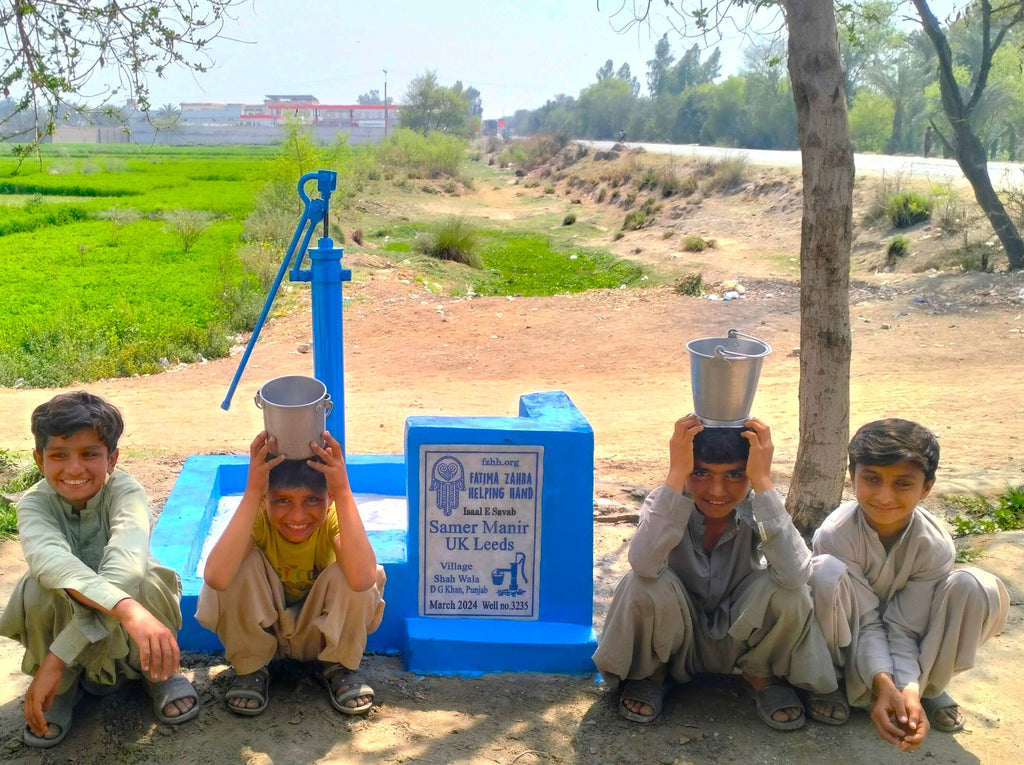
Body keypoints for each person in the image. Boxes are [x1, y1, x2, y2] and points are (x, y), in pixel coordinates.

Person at [593, 414, 839, 729]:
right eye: (701, 473)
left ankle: (760, 675)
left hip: (738, 636)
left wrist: (763, 481)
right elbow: (643, 563)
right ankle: (653, 673)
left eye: (736, 474)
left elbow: (795, 575)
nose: (718, 490)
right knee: (642, 583)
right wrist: (676, 474)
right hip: (679, 637)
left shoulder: (759, 507)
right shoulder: (665, 501)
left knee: (790, 592)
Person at [0, 392, 199, 748]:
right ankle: (62, 689)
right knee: (40, 586)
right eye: (59, 455)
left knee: (146, 579)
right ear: (38, 459)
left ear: (112, 459)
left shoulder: (127, 491)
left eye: (89, 454)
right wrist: (127, 609)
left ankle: (158, 673)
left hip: (126, 638)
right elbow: (53, 565)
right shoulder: (34, 505)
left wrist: (55, 657)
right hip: (88, 614)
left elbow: (125, 565)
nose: (74, 468)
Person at [809, 418, 1008, 752]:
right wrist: (884, 680)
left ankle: (927, 688)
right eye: (871, 479)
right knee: (822, 573)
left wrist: (909, 688)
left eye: (903, 483)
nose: (885, 496)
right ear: (852, 477)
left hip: (911, 639)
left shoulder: (934, 543)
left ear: (927, 488)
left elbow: (903, 626)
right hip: (850, 636)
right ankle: (836, 682)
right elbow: (869, 621)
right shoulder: (835, 534)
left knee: (976, 585)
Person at [196, 430, 385, 717]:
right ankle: (251, 666)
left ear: (328, 498)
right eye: (282, 501)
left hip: (318, 635)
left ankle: (339, 665)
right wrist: (251, 493)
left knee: (361, 573)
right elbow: (217, 577)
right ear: (264, 500)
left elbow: (362, 580)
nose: (297, 517)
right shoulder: (258, 519)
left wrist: (344, 492)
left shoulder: (334, 518)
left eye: (311, 500)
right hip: (269, 636)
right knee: (235, 565)